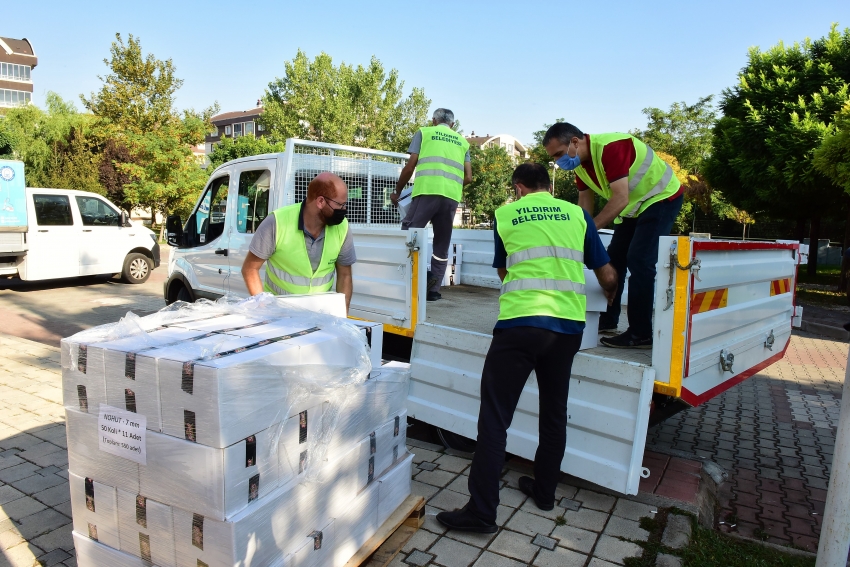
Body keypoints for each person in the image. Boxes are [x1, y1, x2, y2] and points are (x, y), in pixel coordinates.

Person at [436, 163, 618, 533]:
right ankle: (545, 492)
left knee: (495, 419)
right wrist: (611, 298)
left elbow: (504, 273)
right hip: (566, 329)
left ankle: (482, 512)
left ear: (518, 188)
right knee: (553, 413)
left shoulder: (505, 215)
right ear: (549, 186)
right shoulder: (578, 215)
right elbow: (607, 274)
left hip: (519, 326)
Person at [544, 122, 683, 349]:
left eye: (559, 154)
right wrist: (578, 233)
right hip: (634, 208)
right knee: (612, 262)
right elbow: (585, 202)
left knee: (640, 260)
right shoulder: (579, 164)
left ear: (575, 142)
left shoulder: (612, 146)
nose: (559, 162)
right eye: (554, 158)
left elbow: (620, 198)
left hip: (661, 197)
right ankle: (606, 319)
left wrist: (590, 230)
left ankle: (641, 333)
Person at [241, 172, 356, 311]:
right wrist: (264, 309)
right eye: (341, 204)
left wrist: (342, 314)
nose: (344, 210)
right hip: (280, 316)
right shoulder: (277, 222)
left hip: (320, 316)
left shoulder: (342, 227)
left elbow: (345, 275)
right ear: (320, 201)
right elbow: (250, 269)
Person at [390, 108, 473, 301]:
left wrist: (398, 191)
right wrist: (450, 184)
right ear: (452, 125)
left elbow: (410, 166)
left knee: (410, 232)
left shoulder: (425, 132)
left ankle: (408, 282)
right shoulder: (463, 142)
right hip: (451, 197)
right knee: (441, 245)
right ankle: (434, 291)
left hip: (427, 191)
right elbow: (468, 177)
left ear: (434, 120)